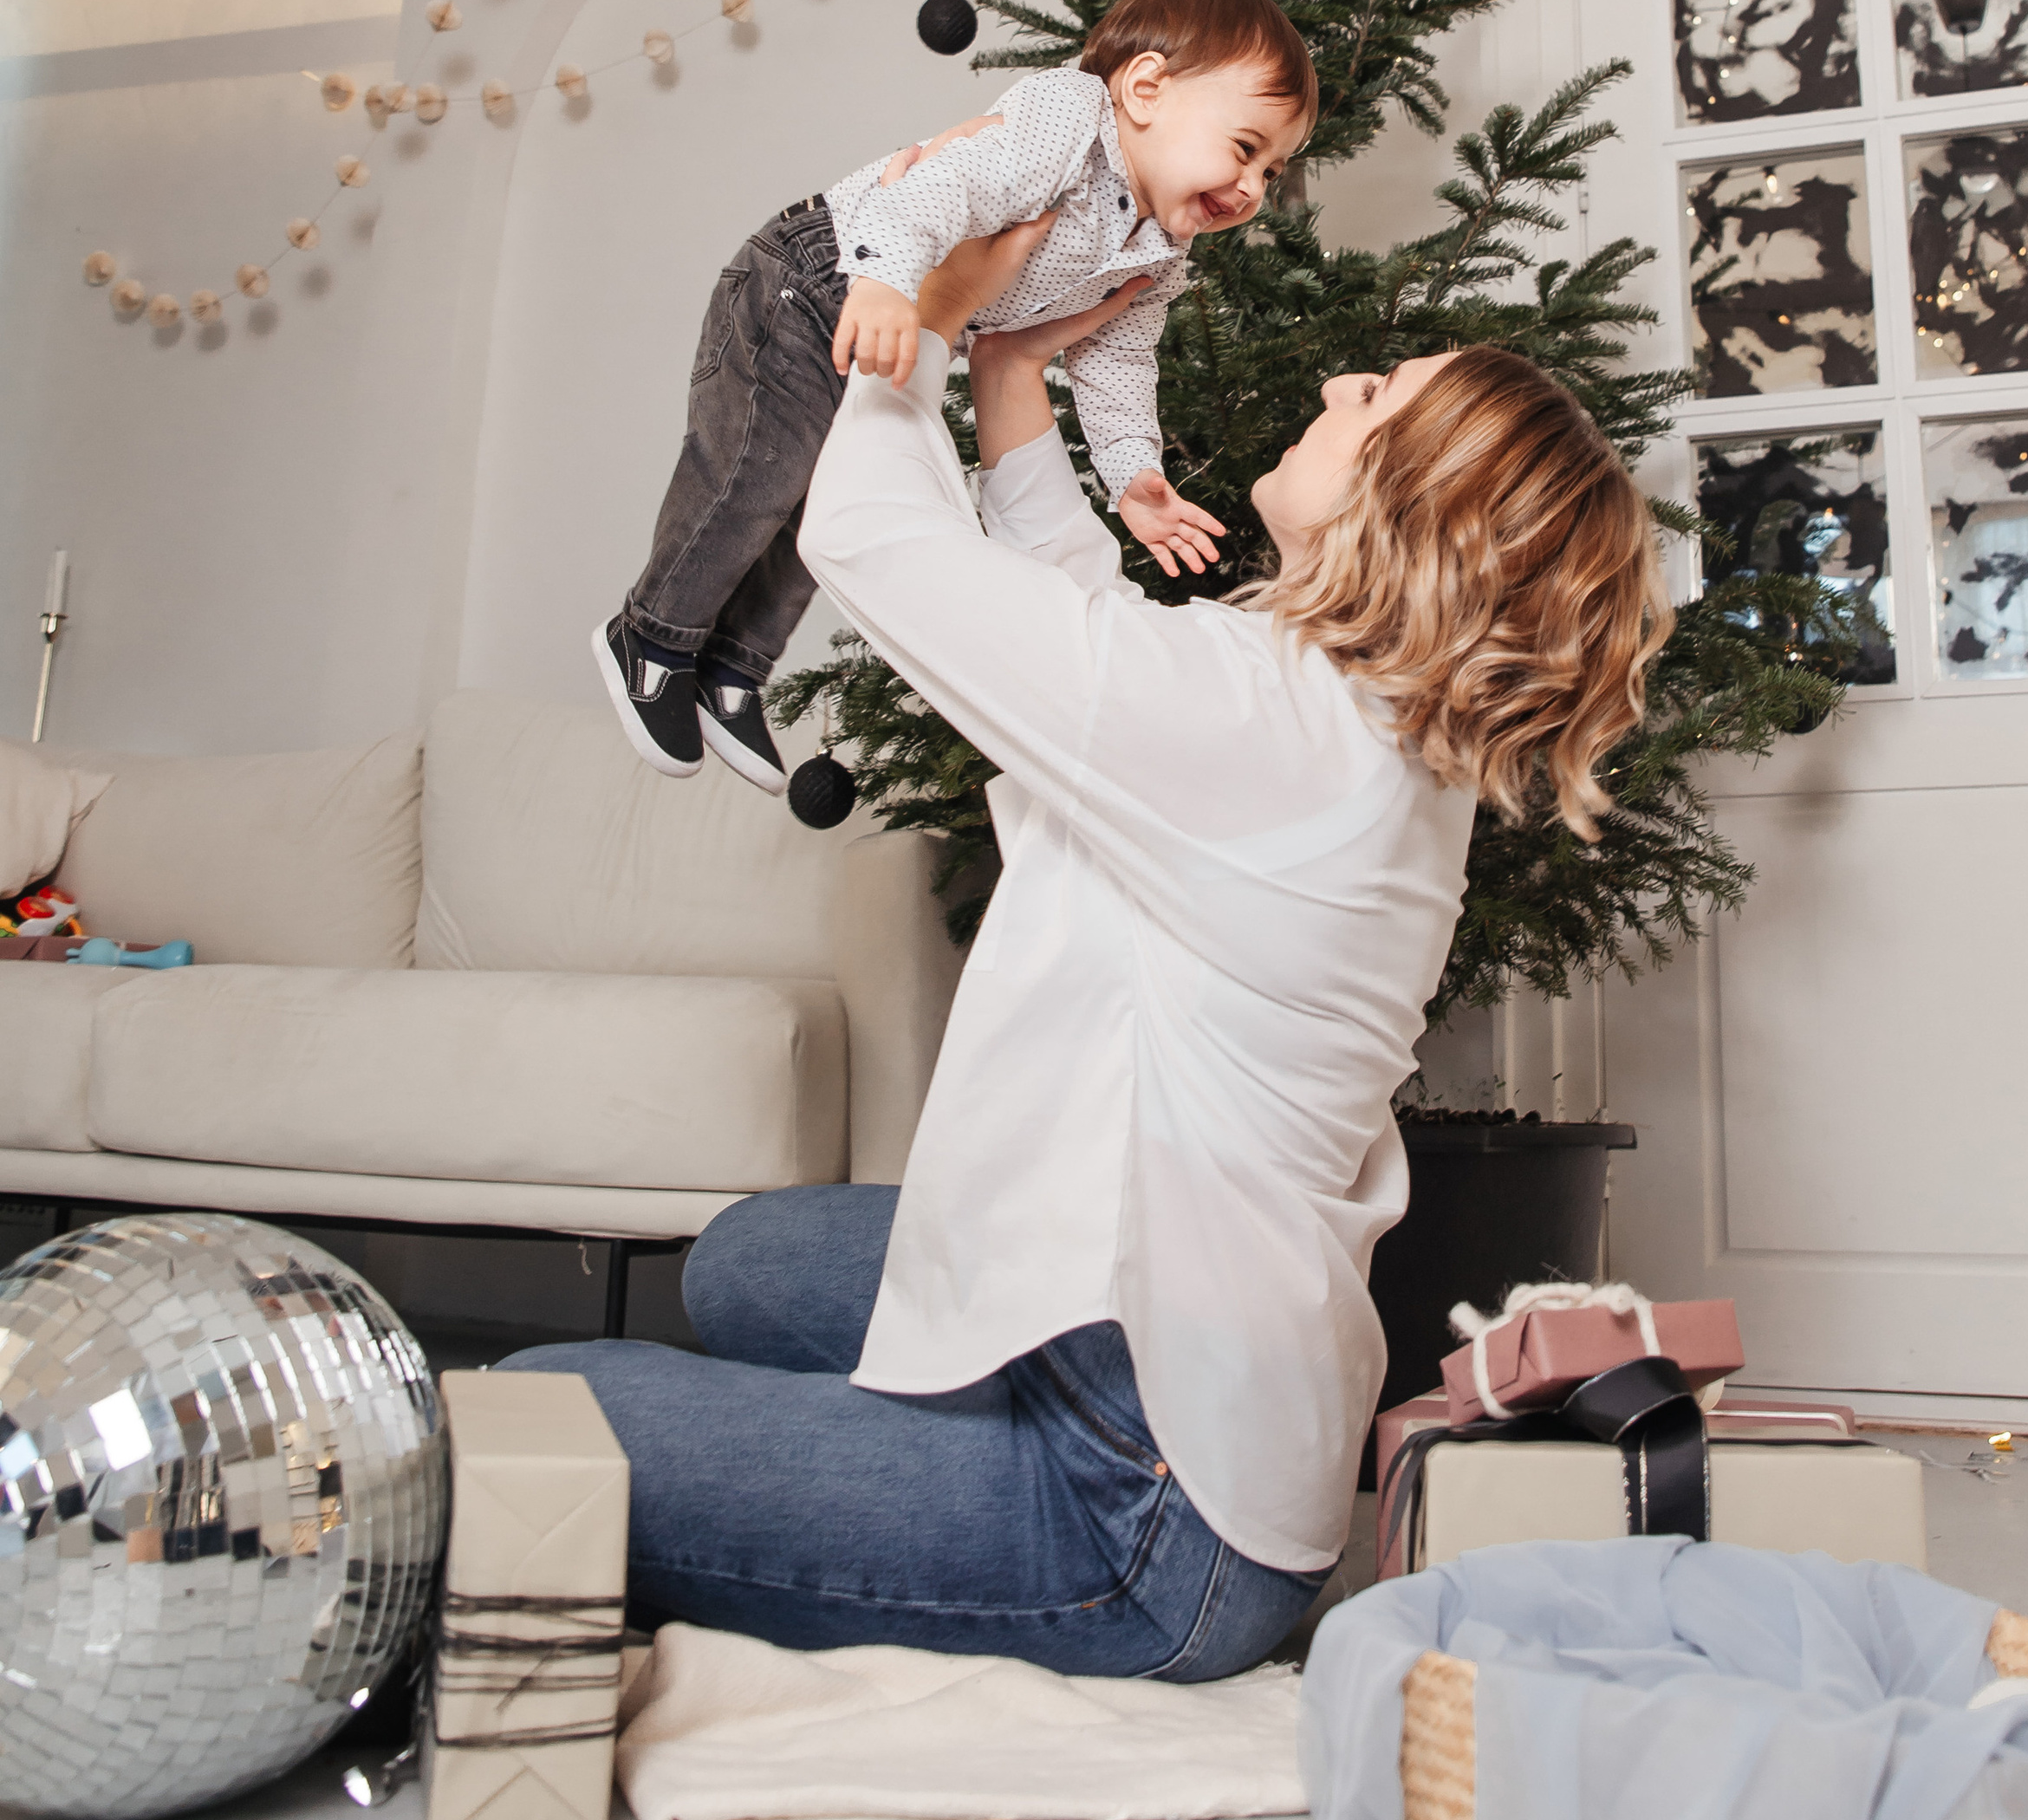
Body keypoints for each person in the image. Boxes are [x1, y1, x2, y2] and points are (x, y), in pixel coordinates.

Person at [505, 206, 1673, 1680]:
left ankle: (960, 1495)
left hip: (1146, 1516)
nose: (1334, 390)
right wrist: (1007, 379)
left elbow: (873, 540)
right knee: (754, 1262)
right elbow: (1088, 630)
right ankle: (913, 1440)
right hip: (1175, 1371)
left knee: (536, 1407)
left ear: (1417, 500)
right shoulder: (1334, 719)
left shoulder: (1275, 729)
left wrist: (910, 318)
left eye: (1375, 397)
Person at [592, 0, 1314, 791]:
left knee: (817, 512)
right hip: (824, 278)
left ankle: (734, 664)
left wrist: (1132, 472)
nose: (1255, 187)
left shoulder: (1162, 250)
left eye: (1275, 169)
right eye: (1246, 148)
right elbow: (945, 181)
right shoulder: (1069, 121)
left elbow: (1116, 359)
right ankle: (652, 633)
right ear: (1146, 89)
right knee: (756, 479)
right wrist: (888, 282)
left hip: (902, 319)